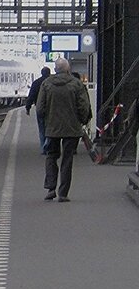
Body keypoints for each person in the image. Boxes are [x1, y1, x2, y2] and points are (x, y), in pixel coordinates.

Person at [37, 57, 92, 202]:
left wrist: (46, 121)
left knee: (51, 156)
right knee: (67, 160)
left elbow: (40, 108)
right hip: (72, 128)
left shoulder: (46, 84)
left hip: (52, 128)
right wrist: (83, 120)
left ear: (55, 70)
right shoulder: (76, 84)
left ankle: (50, 188)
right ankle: (63, 193)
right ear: (68, 69)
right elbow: (83, 106)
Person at [24, 66, 50, 153]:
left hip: (40, 108)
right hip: (52, 109)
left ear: (41, 73)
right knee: (51, 128)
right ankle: (48, 144)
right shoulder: (52, 82)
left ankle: (43, 147)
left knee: (42, 128)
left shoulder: (36, 83)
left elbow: (31, 96)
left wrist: (28, 107)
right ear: (49, 73)